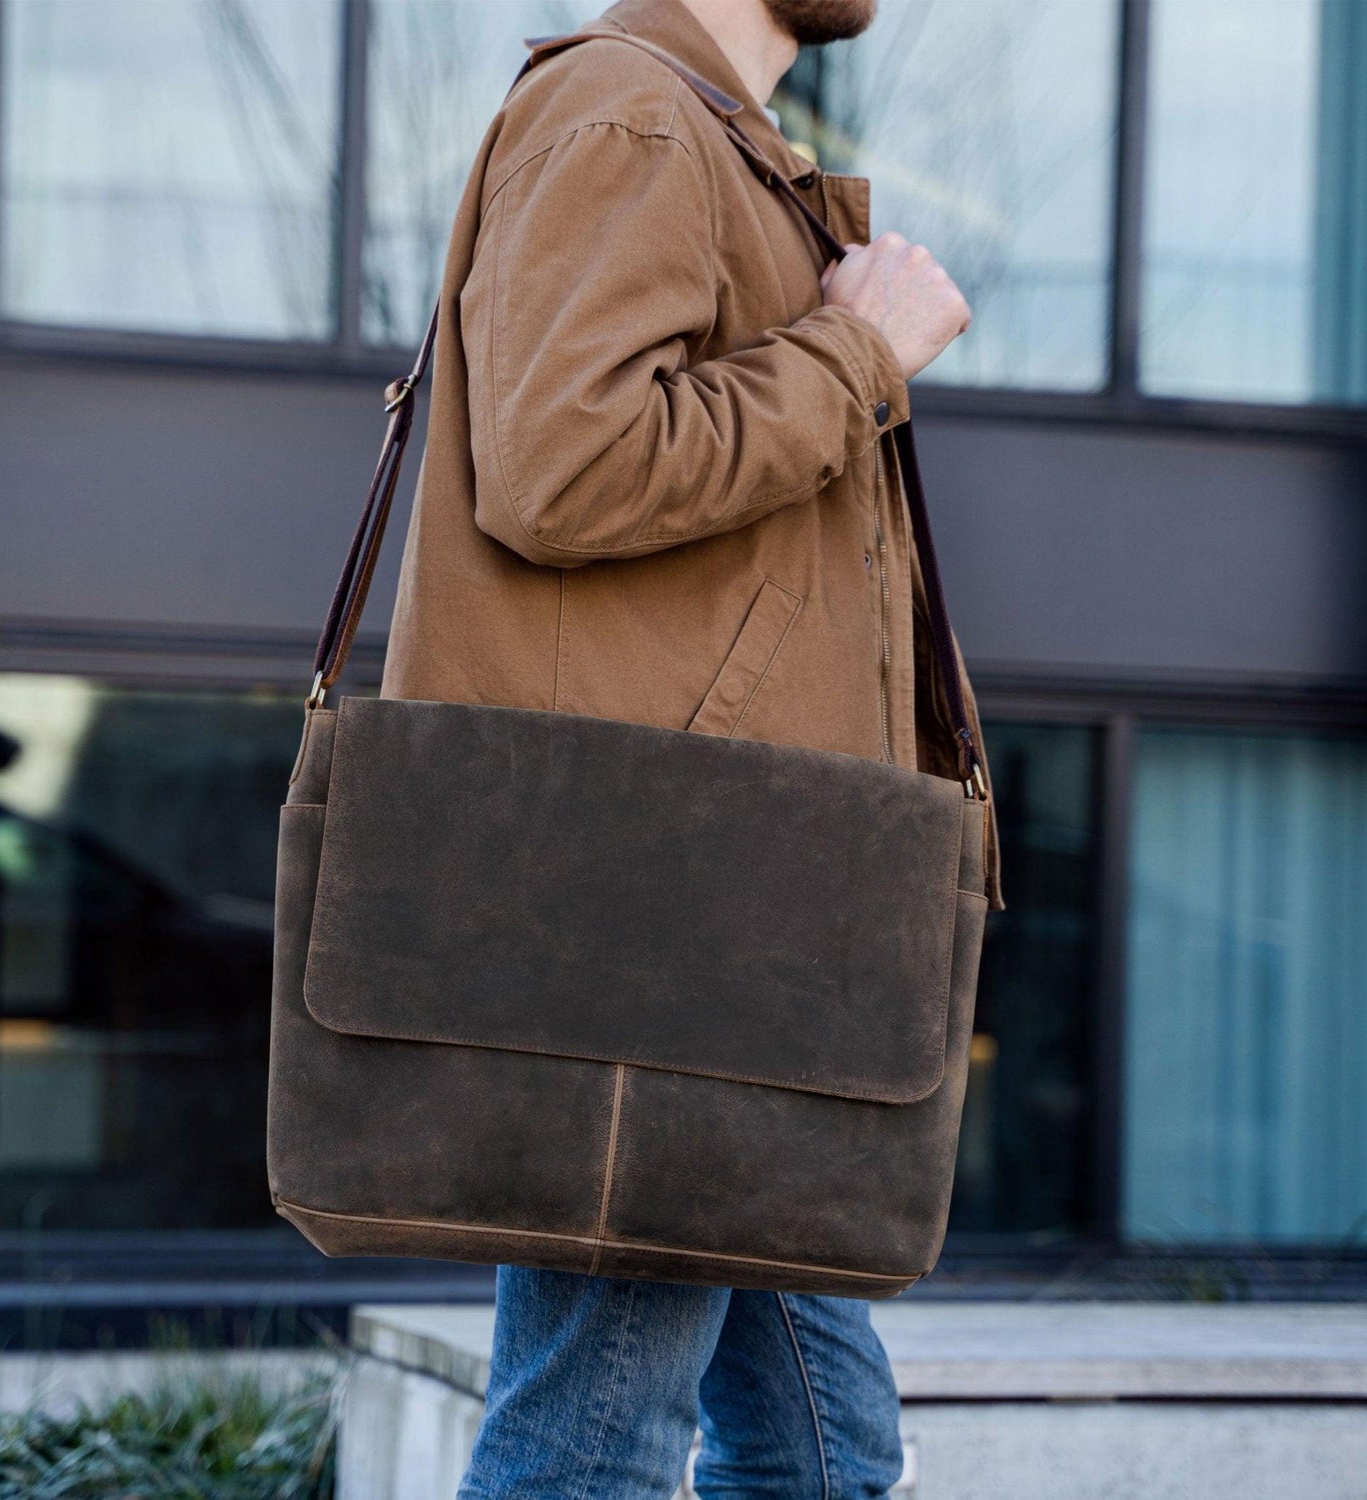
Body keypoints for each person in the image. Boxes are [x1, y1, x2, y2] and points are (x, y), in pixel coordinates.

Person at [379, 0, 1001, 1494]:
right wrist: (857, 350)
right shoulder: (631, 113)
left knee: (824, 1450)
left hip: (752, 928)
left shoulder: (724, 148)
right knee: (593, 1437)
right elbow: (564, 467)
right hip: (667, 921)